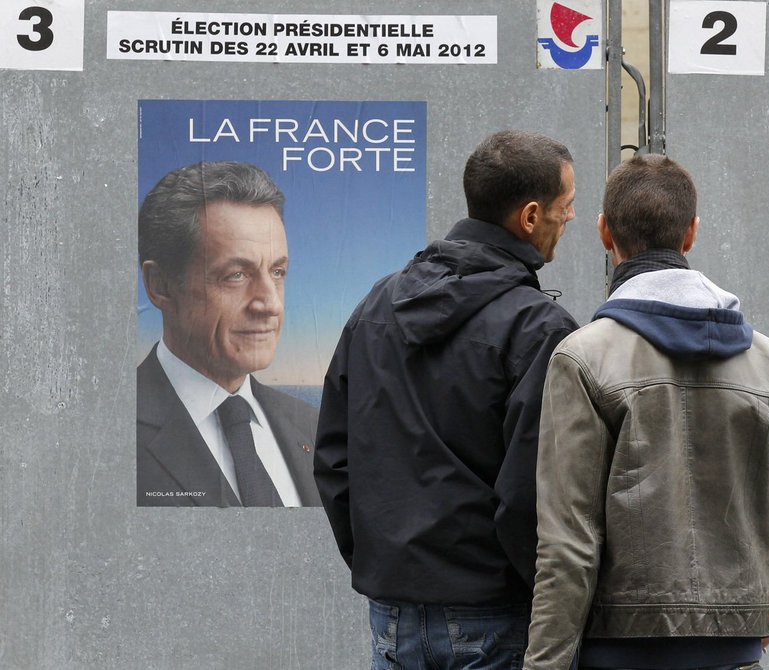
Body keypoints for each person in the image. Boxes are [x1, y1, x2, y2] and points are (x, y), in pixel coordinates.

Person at [524, 154, 769, 670]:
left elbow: (569, 545)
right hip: (734, 651)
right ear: (691, 235)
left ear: (604, 232)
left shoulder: (582, 358)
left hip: (618, 652)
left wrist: (544, 664)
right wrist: (756, 612)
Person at [314, 130, 580, 670]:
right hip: (495, 617)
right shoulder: (537, 328)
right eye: (566, 206)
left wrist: (382, 563)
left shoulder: (376, 307)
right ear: (530, 217)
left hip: (392, 617)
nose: (570, 218)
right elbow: (535, 491)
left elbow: (334, 459)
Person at [137, 161, 321, 507]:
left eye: (278, 272)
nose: (270, 304)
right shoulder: (104, 436)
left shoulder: (313, 426)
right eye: (236, 275)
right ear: (160, 286)